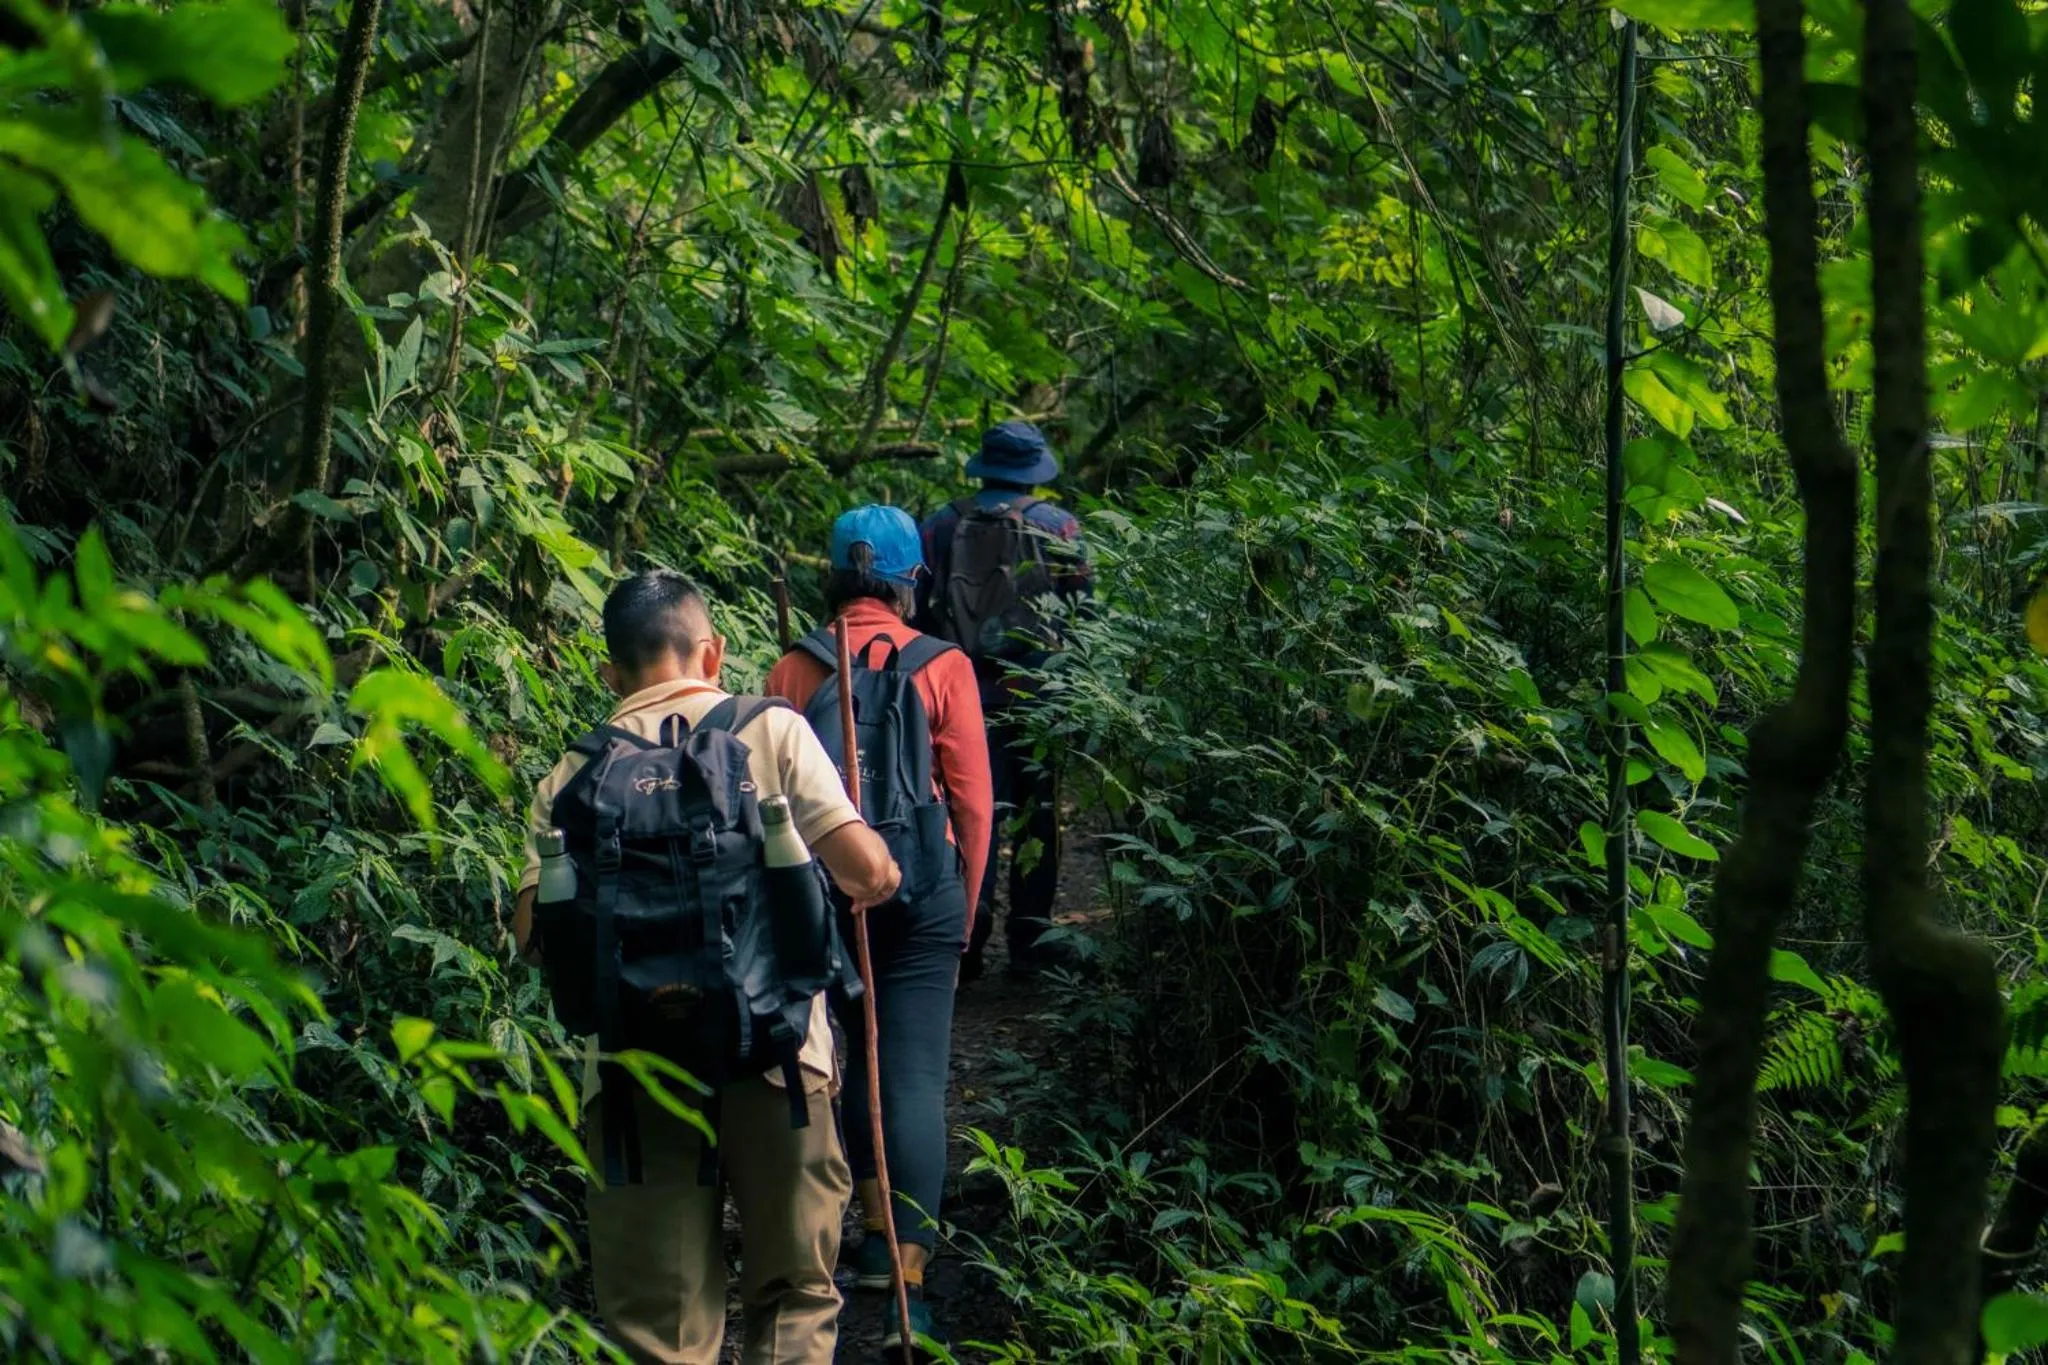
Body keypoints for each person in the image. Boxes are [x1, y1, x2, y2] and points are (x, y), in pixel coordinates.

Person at [512, 570, 900, 1365]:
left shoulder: (571, 775)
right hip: (780, 1060)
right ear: (713, 652)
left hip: (630, 1072)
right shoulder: (772, 731)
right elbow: (867, 873)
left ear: (610, 673)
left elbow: (529, 931)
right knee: (793, 1295)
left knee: (659, 1328)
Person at [766, 505, 992, 1353]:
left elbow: (769, 805)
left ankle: (862, 1231)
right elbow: (972, 803)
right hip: (921, 892)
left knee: (847, 1060)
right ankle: (910, 1278)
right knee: (911, 1073)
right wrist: (962, 911)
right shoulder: (945, 667)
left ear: (833, 573)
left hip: (823, 890)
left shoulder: (791, 667)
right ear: (909, 581)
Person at [918, 420, 1093, 982]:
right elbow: (1087, 620)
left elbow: (918, 615)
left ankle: (966, 940)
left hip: (962, 699)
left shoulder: (941, 526)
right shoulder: (1060, 527)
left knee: (970, 814)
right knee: (1037, 819)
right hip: (1039, 701)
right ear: (1034, 472)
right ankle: (1030, 941)